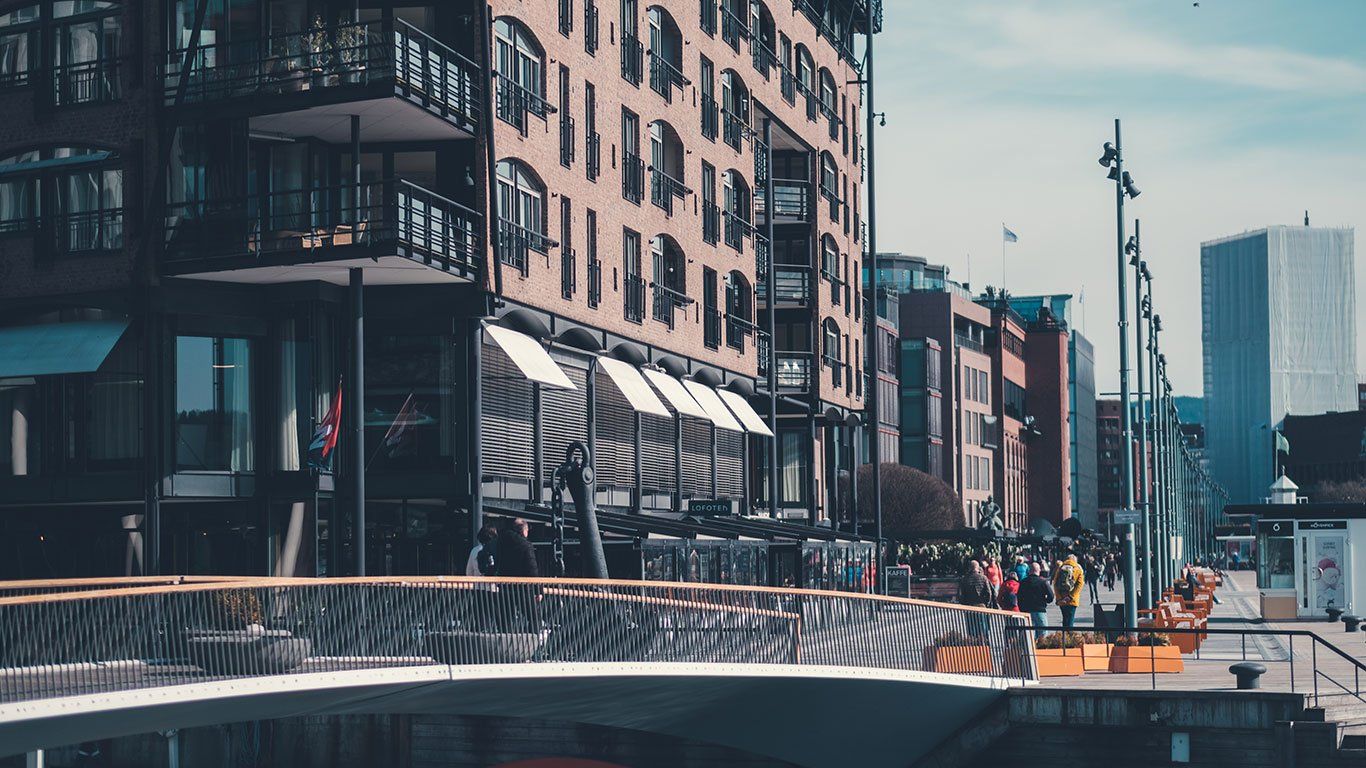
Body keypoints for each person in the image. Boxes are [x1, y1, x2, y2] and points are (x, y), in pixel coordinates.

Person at [958, 561, 996, 638]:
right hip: (981, 606)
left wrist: (964, 605)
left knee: (971, 630)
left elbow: (960, 595)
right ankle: (984, 645)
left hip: (969, 607)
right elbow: (989, 593)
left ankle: (974, 646)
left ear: (969, 568)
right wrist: (987, 603)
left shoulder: (964, 579)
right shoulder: (983, 578)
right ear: (978, 568)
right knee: (983, 629)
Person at [1017, 563, 1054, 639]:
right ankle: (1040, 648)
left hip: (1027, 610)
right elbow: (1051, 596)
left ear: (1029, 571)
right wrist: (1046, 601)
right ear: (1038, 570)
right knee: (1043, 632)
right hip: (1040, 610)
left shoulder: (1023, 582)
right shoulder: (1042, 582)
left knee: (1029, 633)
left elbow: (1019, 596)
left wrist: (1022, 608)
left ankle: (1031, 648)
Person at [1053, 554, 1085, 629]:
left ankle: (1064, 637)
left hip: (1061, 599)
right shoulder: (1077, 568)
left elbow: (1055, 583)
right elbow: (1080, 584)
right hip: (1071, 600)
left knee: (1065, 620)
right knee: (1070, 621)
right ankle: (1069, 639)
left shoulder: (1061, 568)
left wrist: (1059, 598)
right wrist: (1071, 597)